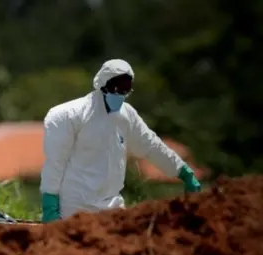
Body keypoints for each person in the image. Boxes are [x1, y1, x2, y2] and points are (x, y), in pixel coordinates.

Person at [40, 59, 202, 223]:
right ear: (103, 84)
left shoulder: (127, 116)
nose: (121, 95)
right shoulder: (71, 115)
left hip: (112, 208)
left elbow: (152, 146)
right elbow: (56, 162)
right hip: (75, 209)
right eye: (117, 89)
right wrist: (50, 205)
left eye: (126, 90)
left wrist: (182, 172)